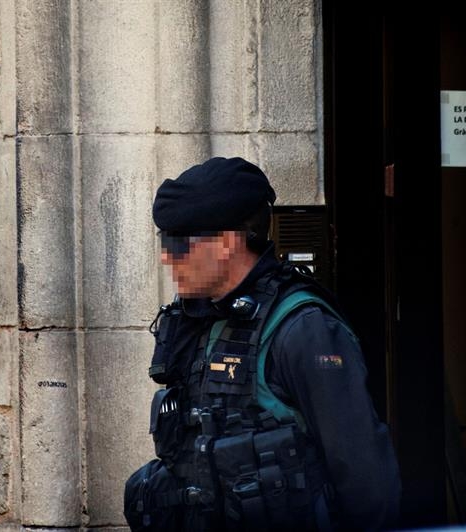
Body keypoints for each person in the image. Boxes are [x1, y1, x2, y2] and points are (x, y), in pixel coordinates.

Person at [124, 157, 400, 531]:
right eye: (165, 241)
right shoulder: (198, 319)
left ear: (226, 244)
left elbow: (365, 480)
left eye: (180, 244)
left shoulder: (302, 327)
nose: (166, 257)